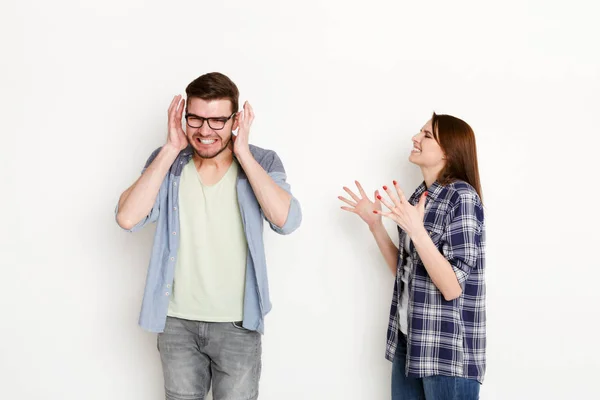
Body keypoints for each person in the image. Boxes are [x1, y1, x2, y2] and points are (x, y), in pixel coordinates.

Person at [115, 72, 302, 400]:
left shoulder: (262, 161)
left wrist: (243, 152)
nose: (205, 130)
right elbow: (128, 217)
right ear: (184, 116)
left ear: (236, 120)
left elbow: (285, 220)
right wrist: (171, 148)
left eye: (217, 120)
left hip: (238, 325)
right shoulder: (169, 164)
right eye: (196, 118)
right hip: (176, 324)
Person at [338, 113, 486, 400]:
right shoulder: (421, 196)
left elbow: (452, 287)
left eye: (426, 135)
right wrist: (375, 225)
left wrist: (417, 232)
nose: (415, 138)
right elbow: (405, 271)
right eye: (420, 132)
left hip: (447, 351)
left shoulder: (462, 197)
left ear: (449, 150)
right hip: (411, 340)